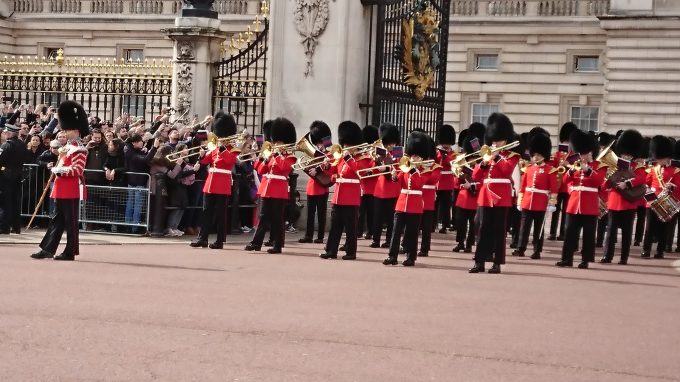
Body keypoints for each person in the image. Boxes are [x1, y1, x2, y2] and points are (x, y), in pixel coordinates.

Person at [31, 100, 89, 261]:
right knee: (56, 220)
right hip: (61, 187)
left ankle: (70, 252)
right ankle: (47, 249)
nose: (65, 132)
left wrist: (59, 170)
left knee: (70, 223)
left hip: (70, 188)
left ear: (77, 131)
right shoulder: (68, 147)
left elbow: (77, 170)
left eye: (68, 130)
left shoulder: (79, 149)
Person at [469, 113, 520, 274]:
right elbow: (476, 176)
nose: (495, 142)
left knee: (499, 231)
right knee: (482, 229)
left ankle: (497, 263)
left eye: (498, 139)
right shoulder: (487, 155)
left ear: (505, 140)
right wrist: (483, 163)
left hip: (501, 197)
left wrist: (496, 158)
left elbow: (506, 171)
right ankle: (479, 262)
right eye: (493, 140)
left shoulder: (512, 156)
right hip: (485, 196)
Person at [319, 121, 372, 260]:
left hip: (351, 196)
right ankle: (331, 251)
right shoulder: (342, 157)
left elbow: (358, 171)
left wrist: (348, 157)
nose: (345, 147)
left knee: (350, 227)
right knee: (335, 226)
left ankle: (351, 252)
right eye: (345, 144)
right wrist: (325, 166)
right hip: (338, 195)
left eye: (348, 144)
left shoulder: (363, 158)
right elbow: (334, 170)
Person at [556, 129, 607, 269]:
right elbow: (566, 181)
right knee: (570, 233)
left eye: (583, 153)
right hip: (574, 204)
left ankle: (586, 260)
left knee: (588, 235)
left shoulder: (600, 166)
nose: (581, 156)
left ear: (590, 152)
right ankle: (567, 258)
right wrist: (571, 170)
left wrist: (588, 169)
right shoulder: (575, 166)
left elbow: (599, 182)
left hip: (589, 204)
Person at [246, 118, 297, 254]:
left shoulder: (289, 156)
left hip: (278, 190)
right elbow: (261, 170)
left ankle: (277, 245)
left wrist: (278, 155)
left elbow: (284, 168)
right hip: (266, 189)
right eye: (275, 142)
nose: (275, 144)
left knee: (277, 219)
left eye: (278, 142)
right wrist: (260, 158)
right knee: (262, 217)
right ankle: (256, 243)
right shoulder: (272, 155)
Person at [190, 112, 238, 249]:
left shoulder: (233, 149)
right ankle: (202, 238)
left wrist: (222, 149)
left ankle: (219, 240)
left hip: (222, 183)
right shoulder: (214, 148)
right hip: (210, 182)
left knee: (221, 214)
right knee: (205, 211)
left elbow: (229, 161)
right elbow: (205, 161)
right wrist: (201, 155)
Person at [600, 129, 646, 265]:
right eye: (624, 153)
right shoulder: (614, 165)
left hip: (628, 203)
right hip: (614, 202)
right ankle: (607, 256)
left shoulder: (637, 167)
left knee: (627, 233)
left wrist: (628, 183)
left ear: (633, 155)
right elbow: (603, 185)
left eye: (628, 154)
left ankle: (623, 257)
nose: (626, 156)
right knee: (611, 232)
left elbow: (642, 178)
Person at [383, 131, 428, 267]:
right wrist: (394, 176)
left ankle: (411, 257)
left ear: (422, 158)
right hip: (402, 203)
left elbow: (420, 183)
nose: (413, 158)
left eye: (417, 156)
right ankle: (392, 256)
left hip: (415, 204)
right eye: (412, 155)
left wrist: (413, 169)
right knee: (396, 232)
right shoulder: (405, 168)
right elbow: (399, 181)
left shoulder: (425, 169)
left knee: (412, 234)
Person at [512, 131, 558, 259]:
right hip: (527, 201)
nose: (535, 157)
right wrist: (520, 201)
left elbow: (553, 189)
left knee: (539, 229)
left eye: (538, 155)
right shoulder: (528, 168)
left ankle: (537, 250)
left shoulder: (550, 170)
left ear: (544, 154)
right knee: (524, 228)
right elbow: (522, 187)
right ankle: (521, 248)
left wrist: (551, 204)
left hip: (541, 203)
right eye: (534, 155)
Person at [641, 135, 680, 259]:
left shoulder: (676, 171)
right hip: (653, 201)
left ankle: (660, 251)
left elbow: (678, 186)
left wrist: (672, 187)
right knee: (648, 229)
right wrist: (650, 199)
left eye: (661, 158)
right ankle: (646, 250)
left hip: (666, 202)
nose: (659, 161)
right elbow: (645, 185)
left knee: (664, 229)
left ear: (668, 157)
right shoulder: (653, 170)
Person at [299, 121, 332, 244]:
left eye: (320, 143)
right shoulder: (313, 154)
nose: (319, 145)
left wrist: (317, 169)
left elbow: (330, 166)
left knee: (321, 214)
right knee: (310, 214)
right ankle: (308, 235)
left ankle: (320, 236)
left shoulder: (329, 154)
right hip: (311, 187)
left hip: (322, 187)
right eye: (317, 143)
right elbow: (307, 164)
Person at [370, 123, 401, 248]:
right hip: (380, 190)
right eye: (388, 143)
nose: (390, 146)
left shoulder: (398, 152)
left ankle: (389, 240)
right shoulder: (379, 152)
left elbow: (400, 168)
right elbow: (373, 169)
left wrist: (388, 167)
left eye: (392, 143)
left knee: (390, 219)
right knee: (377, 217)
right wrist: (379, 167)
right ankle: (375, 239)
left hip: (393, 189)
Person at [0, 113, 29, 234]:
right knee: (16, 202)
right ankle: (16, 227)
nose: (5, 134)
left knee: (5, 202)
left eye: (6, 132)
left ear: (10, 133)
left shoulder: (6, 145)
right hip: (18, 175)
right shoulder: (22, 145)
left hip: (6, 176)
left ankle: (4, 227)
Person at [124, 133, 160, 234]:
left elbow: (142, 156)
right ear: (134, 143)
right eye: (140, 141)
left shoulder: (130, 149)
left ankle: (128, 225)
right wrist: (154, 148)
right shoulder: (131, 152)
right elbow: (145, 160)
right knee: (137, 205)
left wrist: (144, 151)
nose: (142, 143)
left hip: (132, 181)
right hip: (138, 181)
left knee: (131, 203)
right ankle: (134, 227)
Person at [452, 134, 482, 253]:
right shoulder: (463, 166)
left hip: (474, 198)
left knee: (473, 224)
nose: (471, 160)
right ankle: (460, 243)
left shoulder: (480, 167)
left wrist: (473, 185)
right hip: (463, 198)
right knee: (460, 223)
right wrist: (459, 176)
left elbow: (483, 182)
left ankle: (469, 244)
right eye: (470, 158)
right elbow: (456, 183)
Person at [548, 122, 578, 241]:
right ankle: (552, 232)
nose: (566, 144)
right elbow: (551, 168)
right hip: (558, 185)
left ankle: (563, 232)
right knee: (555, 210)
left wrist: (569, 165)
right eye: (565, 141)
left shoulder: (575, 157)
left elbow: (577, 170)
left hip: (568, 187)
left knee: (566, 211)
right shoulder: (556, 154)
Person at [415, 133, 440, 258]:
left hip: (428, 197)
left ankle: (424, 248)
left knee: (426, 226)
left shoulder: (435, 166)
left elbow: (432, 180)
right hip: (416, 196)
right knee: (413, 225)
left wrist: (424, 169)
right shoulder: (416, 164)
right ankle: (408, 245)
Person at [435, 124, 456, 233]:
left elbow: (452, 163)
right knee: (435, 203)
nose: (446, 145)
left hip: (447, 180)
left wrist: (445, 156)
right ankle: (433, 223)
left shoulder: (453, 153)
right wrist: (440, 155)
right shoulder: (436, 151)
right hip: (437, 179)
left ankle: (444, 224)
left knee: (446, 205)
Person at [358, 125, 379, 240]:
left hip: (373, 186)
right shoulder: (362, 153)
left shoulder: (375, 153)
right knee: (360, 212)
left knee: (371, 212)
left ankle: (371, 231)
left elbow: (377, 166)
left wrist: (370, 170)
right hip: (362, 185)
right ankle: (359, 231)